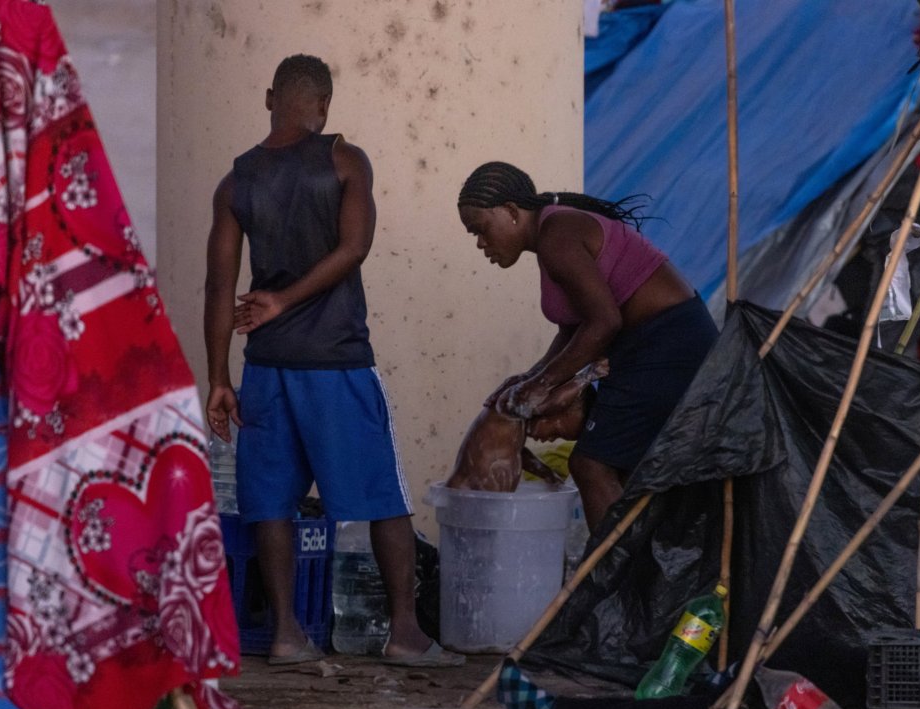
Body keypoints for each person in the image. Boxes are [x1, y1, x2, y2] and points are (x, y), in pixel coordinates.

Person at [205, 54, 461, 667]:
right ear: (324, 108)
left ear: (270, 98)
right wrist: (286, 301)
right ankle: (403, 632)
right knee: (383, 497)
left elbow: (219, 287)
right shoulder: (345, 160)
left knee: (271, 503)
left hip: (265, 369)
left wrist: (218, 377)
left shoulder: (236, 182)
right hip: (338, 360)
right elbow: (355, 249)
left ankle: (289, 635)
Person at [457, 162, 718, 530]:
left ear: (512, 212)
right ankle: (631, 574)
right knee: (619, 470)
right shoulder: (553, 234)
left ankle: (610, 580)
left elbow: (604, 322)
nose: (482, 244)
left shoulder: (557, 235)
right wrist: (529, 377)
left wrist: (541, 385)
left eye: (481, 230)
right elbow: (575, 327)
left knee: (590, 465)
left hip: (668, 341)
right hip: (647, 344)